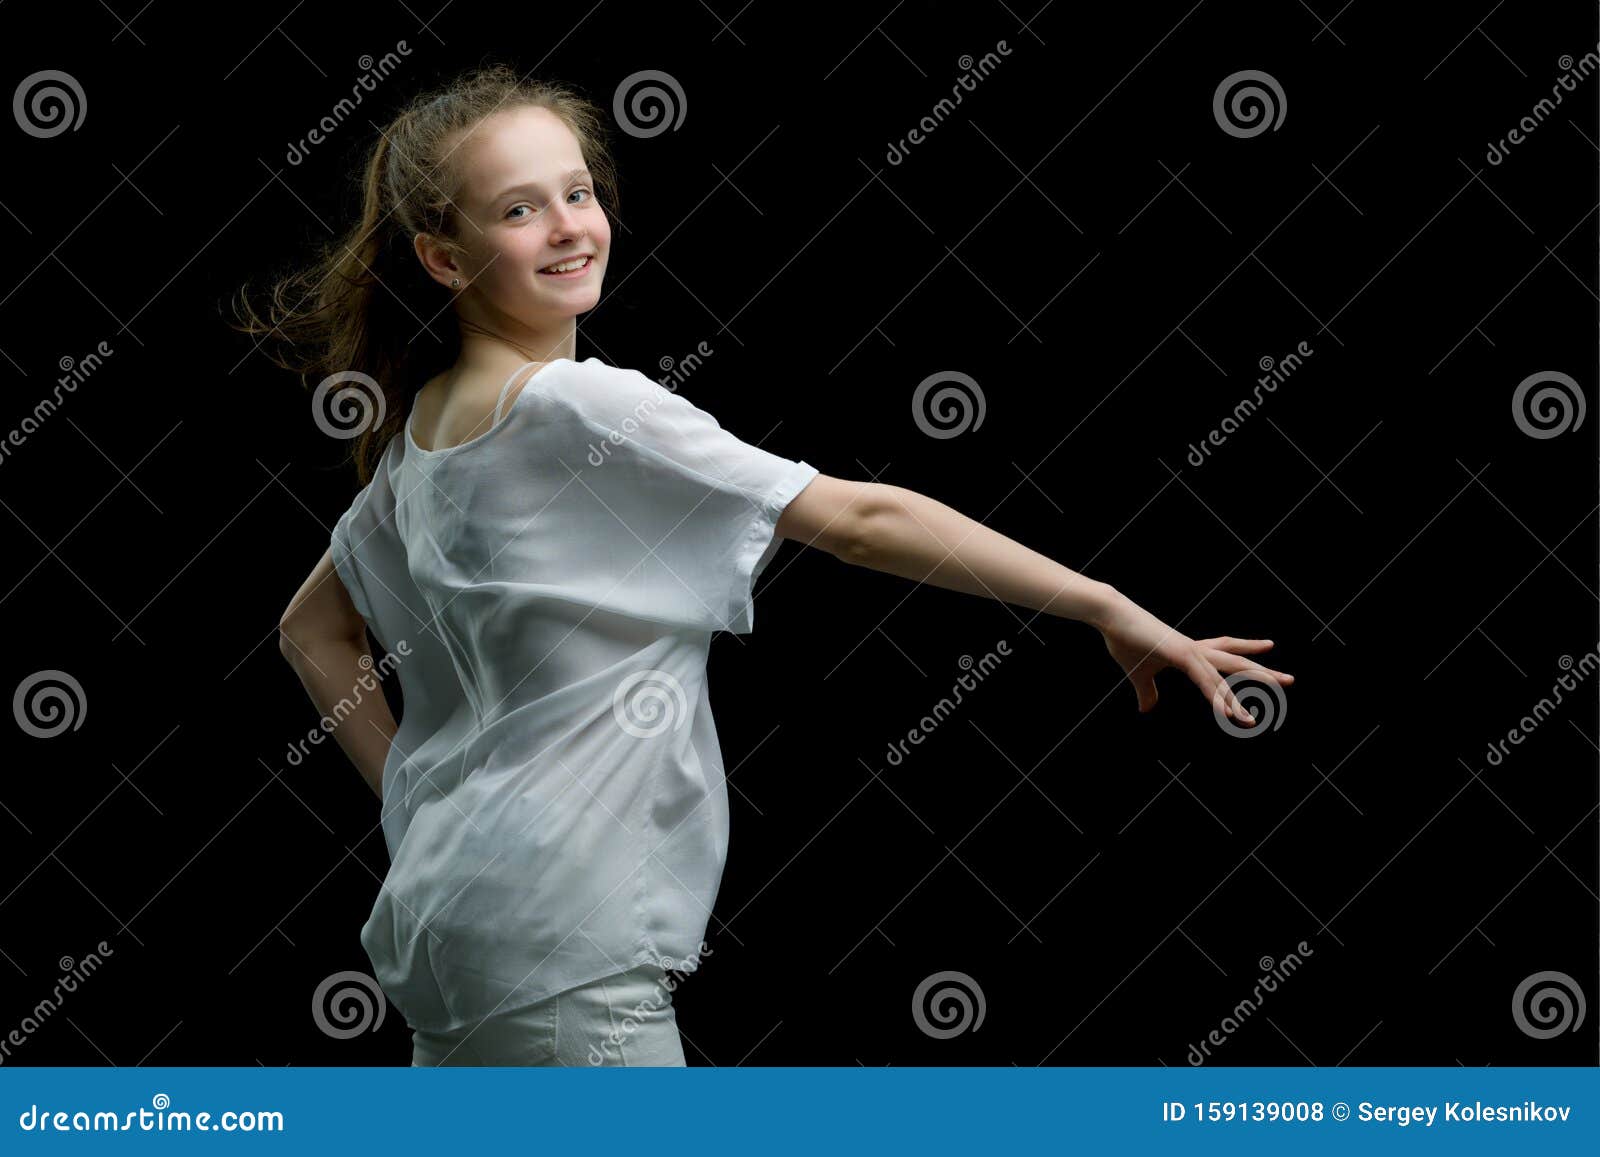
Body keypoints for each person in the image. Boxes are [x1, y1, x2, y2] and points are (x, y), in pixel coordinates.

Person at [240, 64, 1293, 1067]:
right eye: (518, 210)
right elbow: (860, 518)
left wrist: (420, 802)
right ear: (441, 256)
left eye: (578, 190)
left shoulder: (421, 434)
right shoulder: (581, 407)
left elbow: (309, 632)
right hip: (564, 936)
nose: (569, 225)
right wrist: (1105, 602)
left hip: (453, 920)